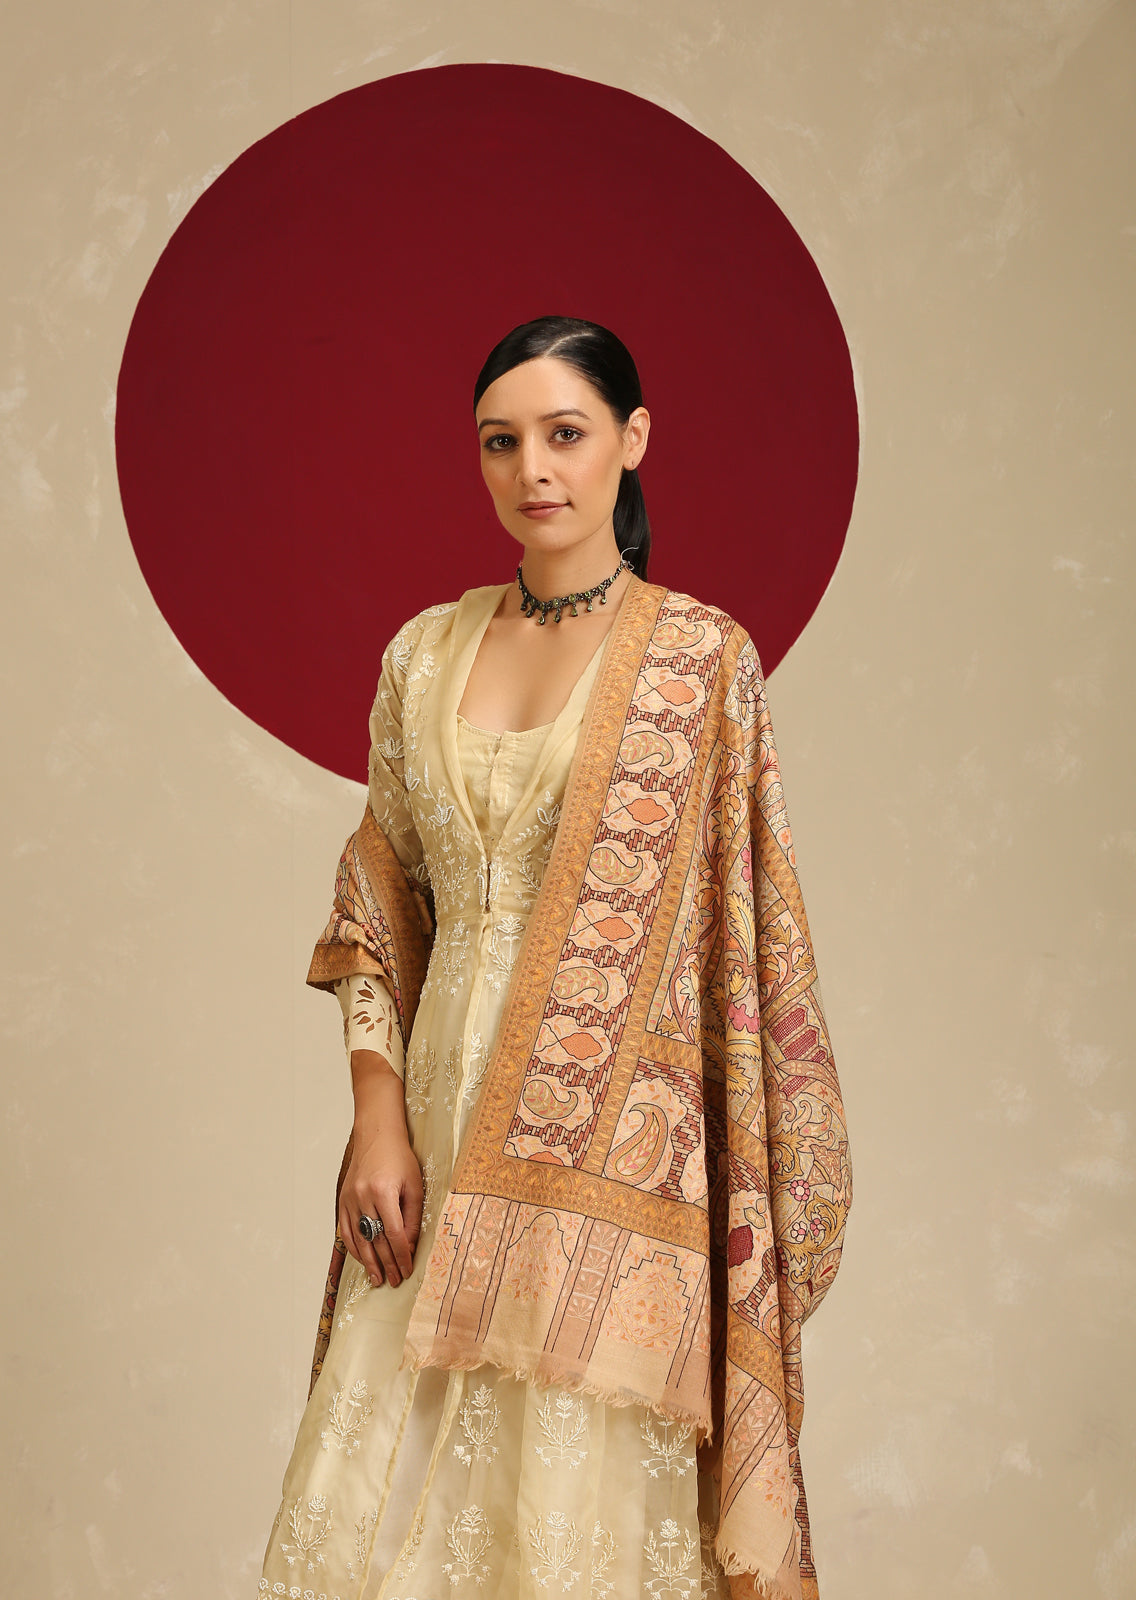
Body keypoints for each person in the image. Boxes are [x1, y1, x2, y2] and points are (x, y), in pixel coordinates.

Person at [258, 315, 851, 1600]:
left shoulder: (701, 664)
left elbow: (737, 939)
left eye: (565, 434)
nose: (532, 468)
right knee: (371, 1518)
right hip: (432, 1136)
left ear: (632, 442)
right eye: (500, 441)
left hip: (608, 1177)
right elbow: (379, 898)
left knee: (570, 1524)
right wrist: (374, 1115)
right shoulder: (423, 654)